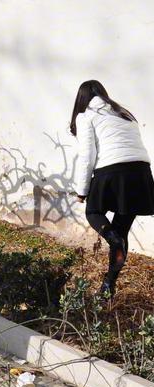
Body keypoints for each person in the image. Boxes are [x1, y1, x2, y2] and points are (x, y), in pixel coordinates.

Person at [71, 80, 154, 298]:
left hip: (112, 168)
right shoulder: (123, 114)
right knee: (121, 230)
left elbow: (86, 155)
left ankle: (112, 239)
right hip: (141, 172)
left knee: (93, 212)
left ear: (82, 99)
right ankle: (108, 285)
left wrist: (82, 191)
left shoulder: (86, 115)